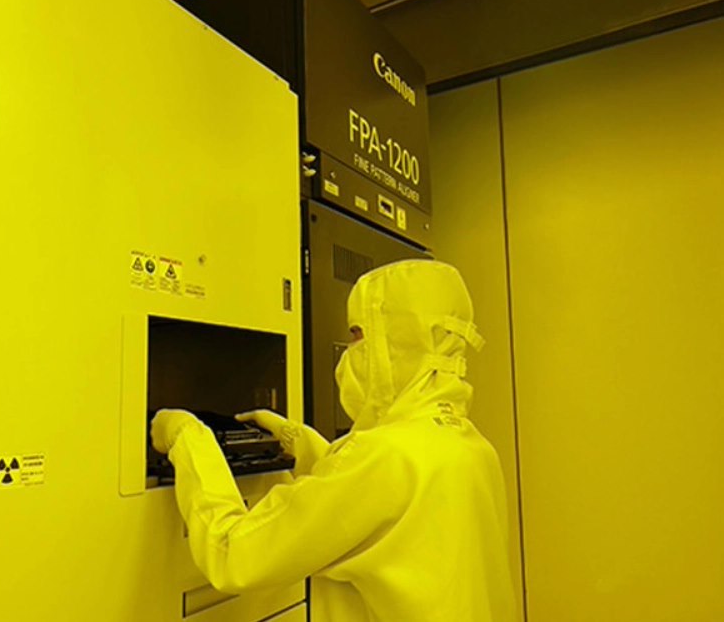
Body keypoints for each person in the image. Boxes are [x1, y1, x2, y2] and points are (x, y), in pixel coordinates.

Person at [151, 259, 516, 622]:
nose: (349, 350)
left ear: (396, 341)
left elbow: (234, 553)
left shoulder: (382, 458)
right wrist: (297, 439)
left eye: (357, 334)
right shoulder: (469, 447)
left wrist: (187, 437)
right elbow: (369, 506)